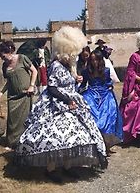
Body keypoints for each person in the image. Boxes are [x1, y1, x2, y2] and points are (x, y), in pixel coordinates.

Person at [15, 26, 107, 181]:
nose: (75, 56)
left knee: (73, 136)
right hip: (56, 105)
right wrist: (68, 100)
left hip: (72, 103)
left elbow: (71, 84)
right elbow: (52, 88)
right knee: (54, 137)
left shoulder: (69, 65)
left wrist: (78, 80)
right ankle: (51, 169)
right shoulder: (56, 65)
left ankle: (67, 166)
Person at [0, 41, 38, 150]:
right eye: (1, 57)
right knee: (12, 122)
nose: (2, 59)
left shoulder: (22, 58)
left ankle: (24, 142)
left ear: (8, 52)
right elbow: (9, 81)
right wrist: (1, 92)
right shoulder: (5, 65)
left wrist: (32, 86)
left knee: (24, 120)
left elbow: (34, 71)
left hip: (25, 95)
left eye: (3, 56)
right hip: (13, 97)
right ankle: (11, 143)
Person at [80, 49, 123, 150]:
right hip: (91, 94)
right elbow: (83, 85)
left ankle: (106, 144)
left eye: (96, 60)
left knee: (108, 114)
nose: (94, 62)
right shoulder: (86, 71)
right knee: (92, 115)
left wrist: (110, 88)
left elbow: (108, 83)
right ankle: (95, 142)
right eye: (92, 60)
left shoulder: (106, 70)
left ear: (100, 60)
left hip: (104, 94)